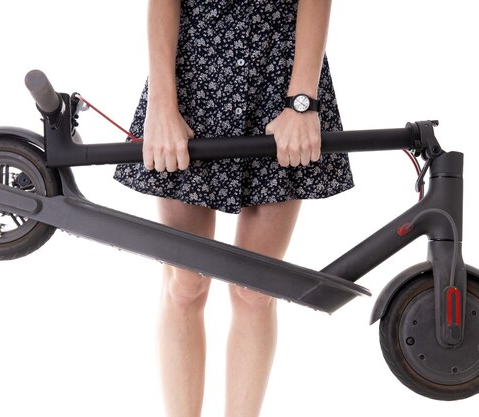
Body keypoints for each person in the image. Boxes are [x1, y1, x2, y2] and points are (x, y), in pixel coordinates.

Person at [113, 1, 354, 416]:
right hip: (192, 72)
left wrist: (302, 101)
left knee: (255, 290)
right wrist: (162, 104)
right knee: (184, 285)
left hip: (281, 71)